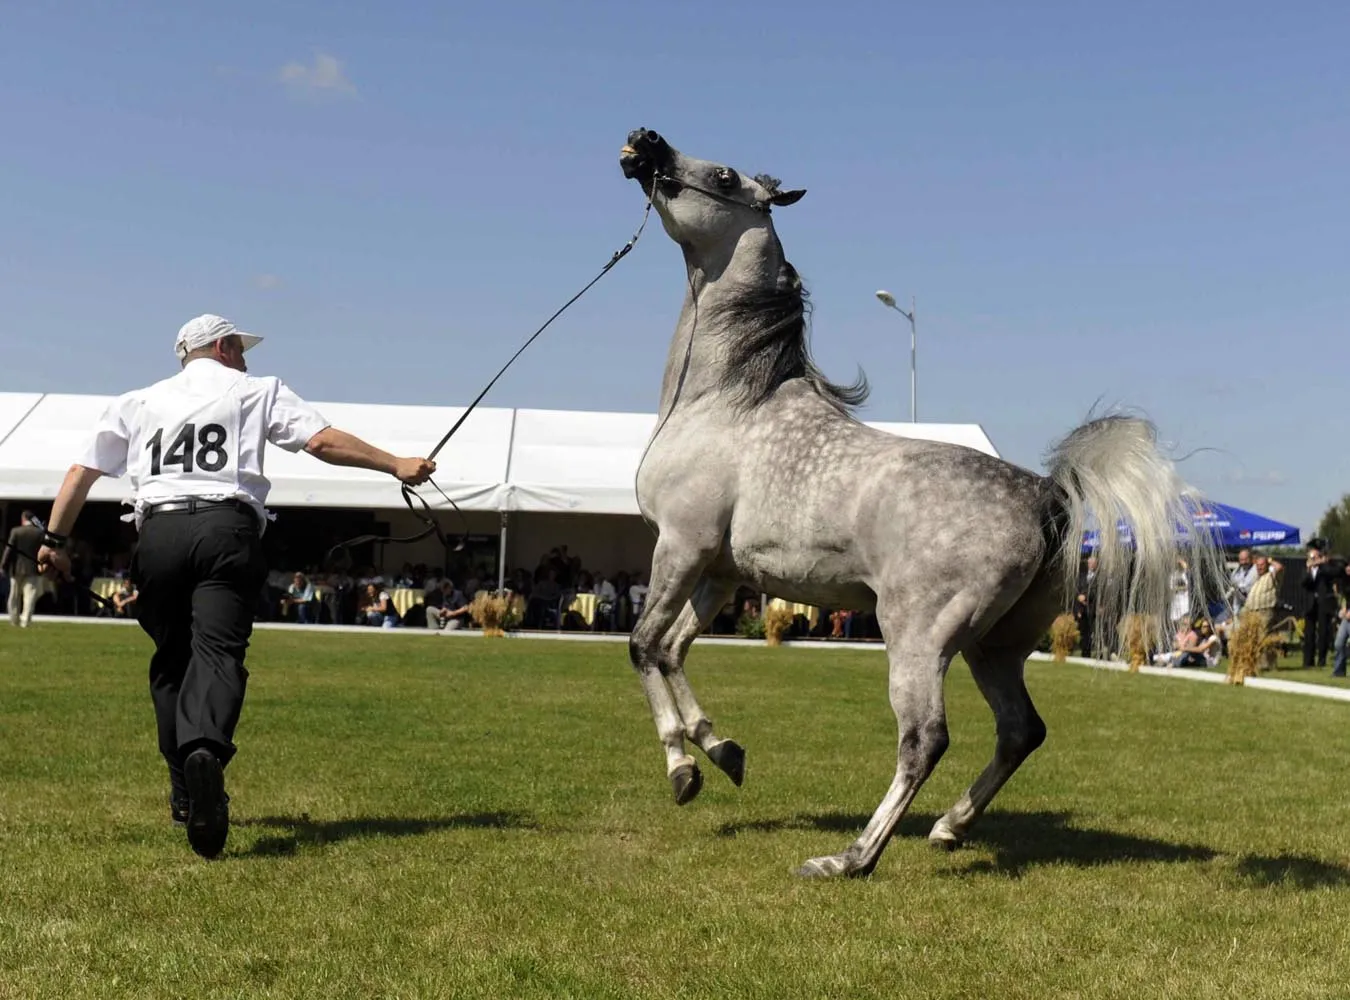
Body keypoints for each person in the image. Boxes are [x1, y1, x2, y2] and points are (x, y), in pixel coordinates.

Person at [35, 314, 434, 859]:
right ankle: (204, 751)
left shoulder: (137, 400)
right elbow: (320, 442)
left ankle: (183, 789)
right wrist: (396, 464)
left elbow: (81, 473)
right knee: (218, 652)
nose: (246, 358)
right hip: (227, 528)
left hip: (158, 531)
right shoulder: (256, 390)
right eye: (241, 349)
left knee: (172, 660)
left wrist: (54, 538)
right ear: (221, 347)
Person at [2, 510, 46, 628]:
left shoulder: (16, 531)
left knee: (14, 595)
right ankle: (25, 621)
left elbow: (8, 550)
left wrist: (3, 566)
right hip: (32, 568)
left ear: (23, 519)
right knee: (30, 596)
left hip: (16, 568)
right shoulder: (39, 533)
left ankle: (14, 619)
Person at [1300, 539, 1337, 668]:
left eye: (1315, 555)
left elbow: (1332, 573)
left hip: (1323, 602)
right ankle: (1308, 661)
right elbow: (1303, 582)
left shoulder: (1326, 566)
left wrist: (1320, 563)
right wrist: (1309, 568)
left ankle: (1321, 660)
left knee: (1323, 632)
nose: (1313, 557)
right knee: (1309, 632)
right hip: (1311, 603)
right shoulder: (1308, 568)